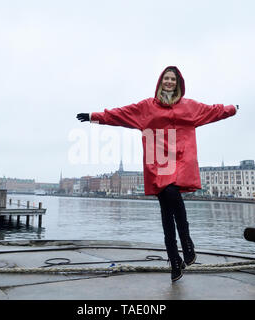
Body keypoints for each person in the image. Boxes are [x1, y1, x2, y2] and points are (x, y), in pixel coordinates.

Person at [77, 66, 238, 281]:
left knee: (171, 201)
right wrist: (93, 117)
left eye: (173, 79)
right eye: (166, 78)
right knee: (167, 208)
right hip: (158, 162)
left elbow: (214, 111)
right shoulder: (147, 107)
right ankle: (178, 256)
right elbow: (119, 114)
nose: (169, 82)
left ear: (178, 83)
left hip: (180, 160)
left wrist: (232, 109)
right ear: (160, 82)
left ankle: (183, 251)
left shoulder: (189, 107)